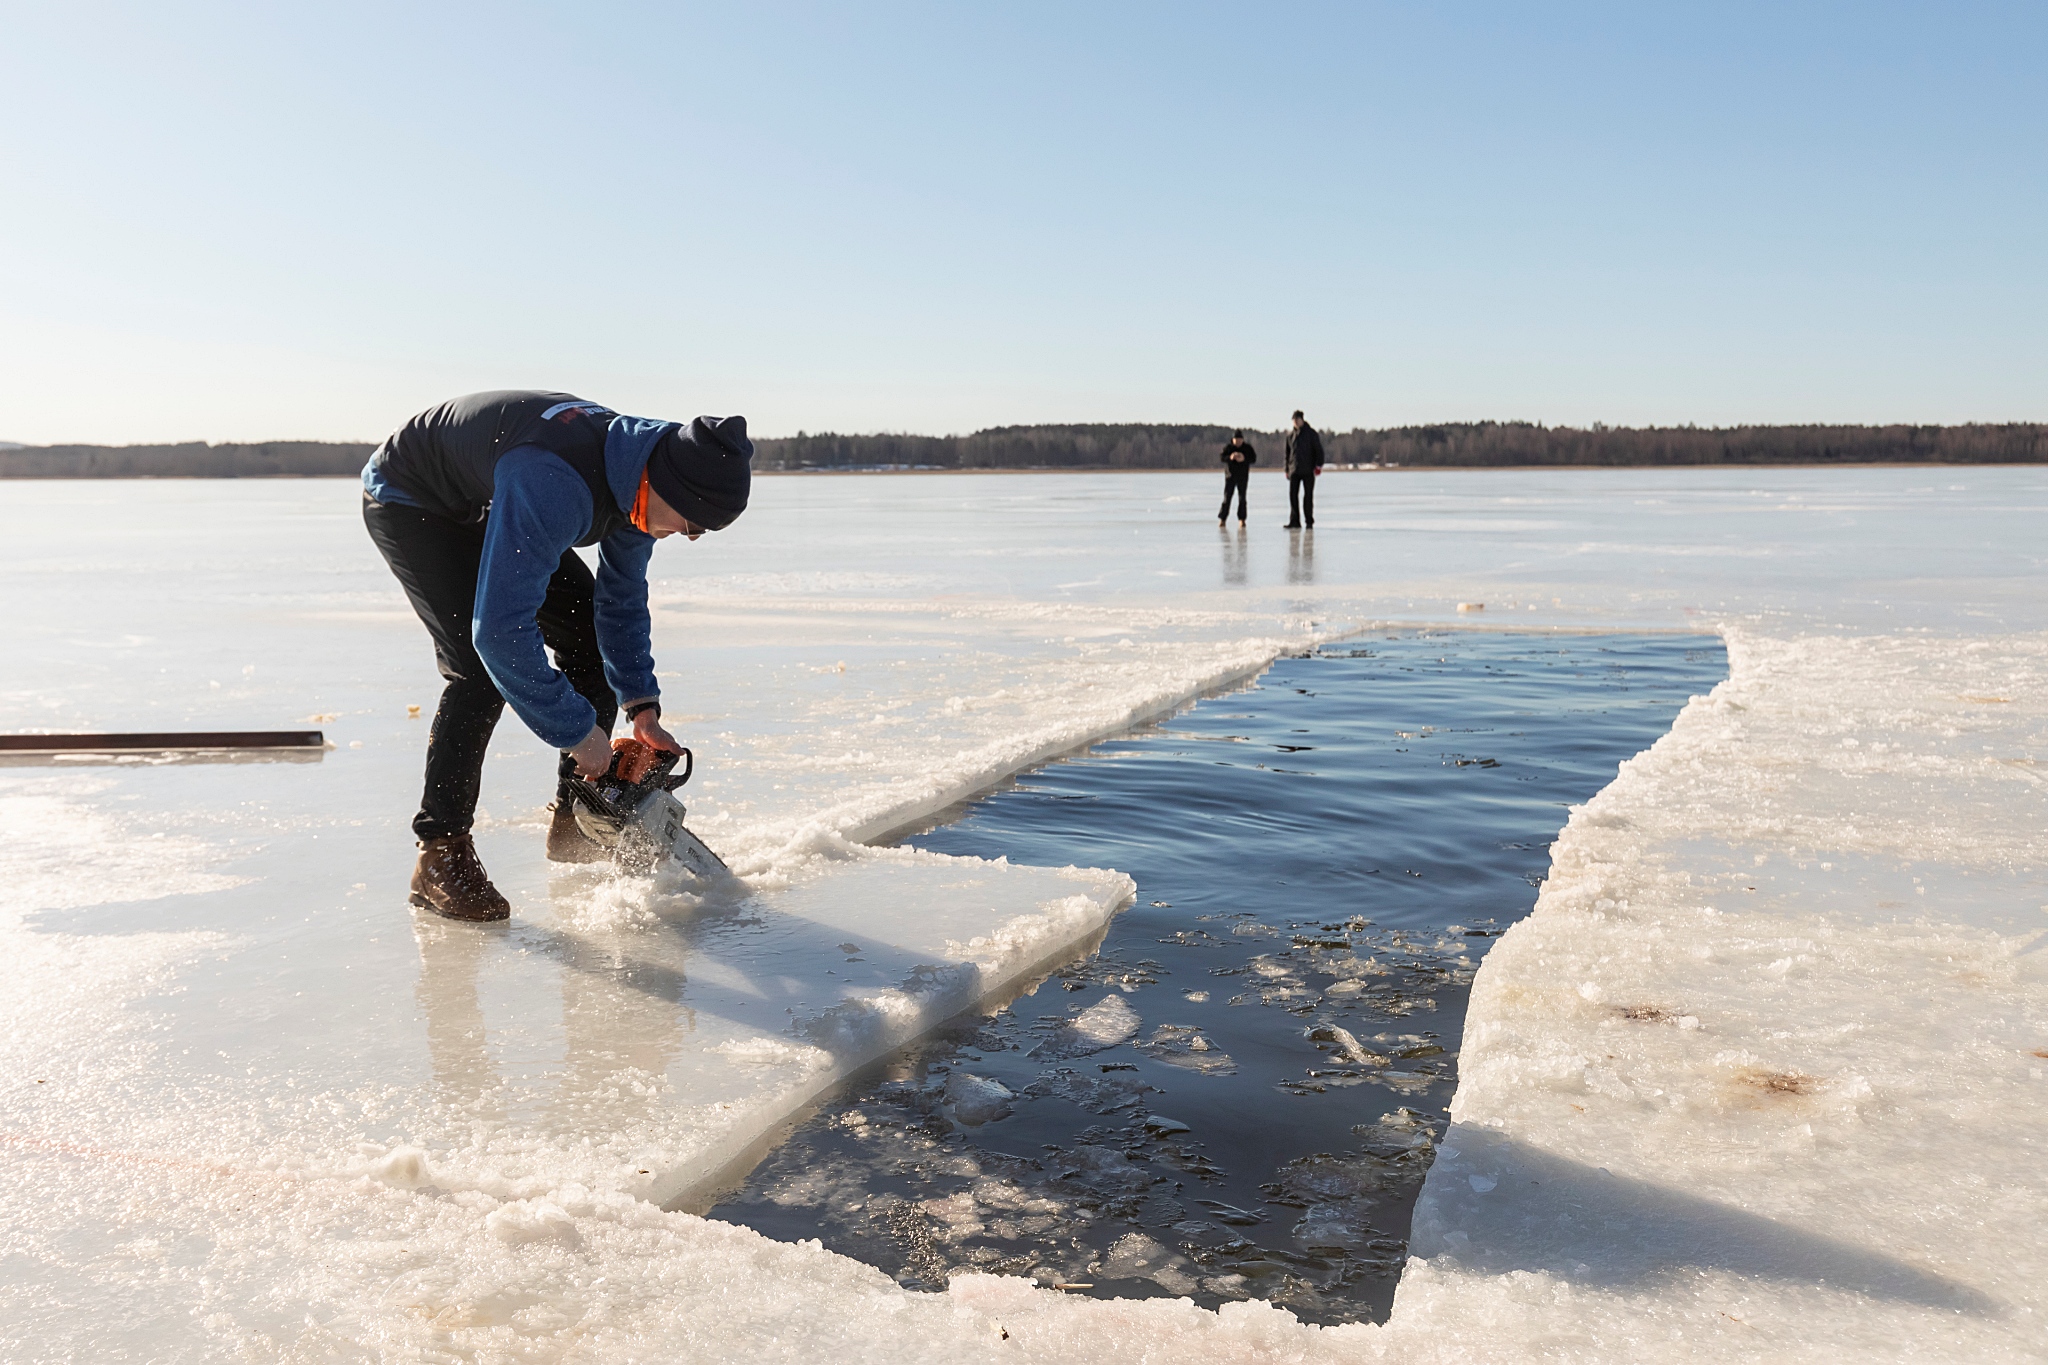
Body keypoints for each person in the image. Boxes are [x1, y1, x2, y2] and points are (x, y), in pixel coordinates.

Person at [360, 390, 753, 922]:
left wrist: (641, 705)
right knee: (478, 670)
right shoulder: (555, 483)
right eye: (692, 523)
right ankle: (440, 854)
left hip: (496, 492)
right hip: (414, 497)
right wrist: (577, 733)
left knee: (588, 638)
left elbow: (620, 600)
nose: (690, 536)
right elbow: (499, 632)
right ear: (664, 487)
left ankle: (575, 822)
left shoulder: (648, 476)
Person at [1283, 409, 1325, 529]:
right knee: (1293, 496)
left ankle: (1309, 521)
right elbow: (1287, 454)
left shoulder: (1311, 434)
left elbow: (1319, 451)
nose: (1296, 422)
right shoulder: (1290, 436)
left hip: (1308, 470)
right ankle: (1294, 521)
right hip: (1294, 470)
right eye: (1294, 420)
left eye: (1297, 419)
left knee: (1308, 497)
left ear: (1302, 420)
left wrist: (1318, 466)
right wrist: (1286, 469)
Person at [1216, 430, 1256, 525]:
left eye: (1239, 439)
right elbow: (1222, 457)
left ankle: (1242, 519)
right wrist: (1230, 457)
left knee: (1242, 498)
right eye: (1236, 440)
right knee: (1227, 498)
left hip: (1243, 477)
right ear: (1233, 440)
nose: (1237, 441)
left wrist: (1244, 458)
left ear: (1242, 440)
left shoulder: (1247, 448)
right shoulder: (1229, 448)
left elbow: (1253, 459)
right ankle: (1223, 518)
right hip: (1230, 476)